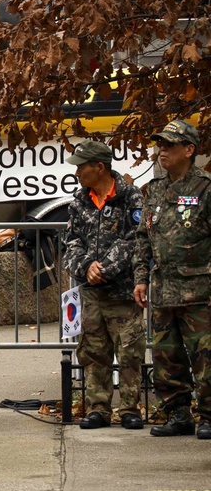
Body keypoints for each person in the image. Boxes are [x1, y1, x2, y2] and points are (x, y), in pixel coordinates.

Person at [134, 120, 211, 439]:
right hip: (163, 289)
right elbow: (143, 238)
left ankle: (208, 415)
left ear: (189, 150)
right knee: (166, 356)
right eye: (160, 145)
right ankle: (178, 413)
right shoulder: (154, 190)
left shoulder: (205, 188)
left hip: (200, 291)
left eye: (169, 145)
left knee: (205, 356)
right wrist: (140, 278)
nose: (161, 150)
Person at [62, 141, 146, 431]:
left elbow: (136, 239)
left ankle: (130, 409)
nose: (77, 172)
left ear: (100, 167)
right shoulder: (79, 201)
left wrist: (106, 267)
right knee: (94, 351)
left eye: (81, 166)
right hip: (92, 293)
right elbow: (71, 242)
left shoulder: (130, 197)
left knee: (129, 352)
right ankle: (98, 408)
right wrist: (86, 266)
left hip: (123, 292)